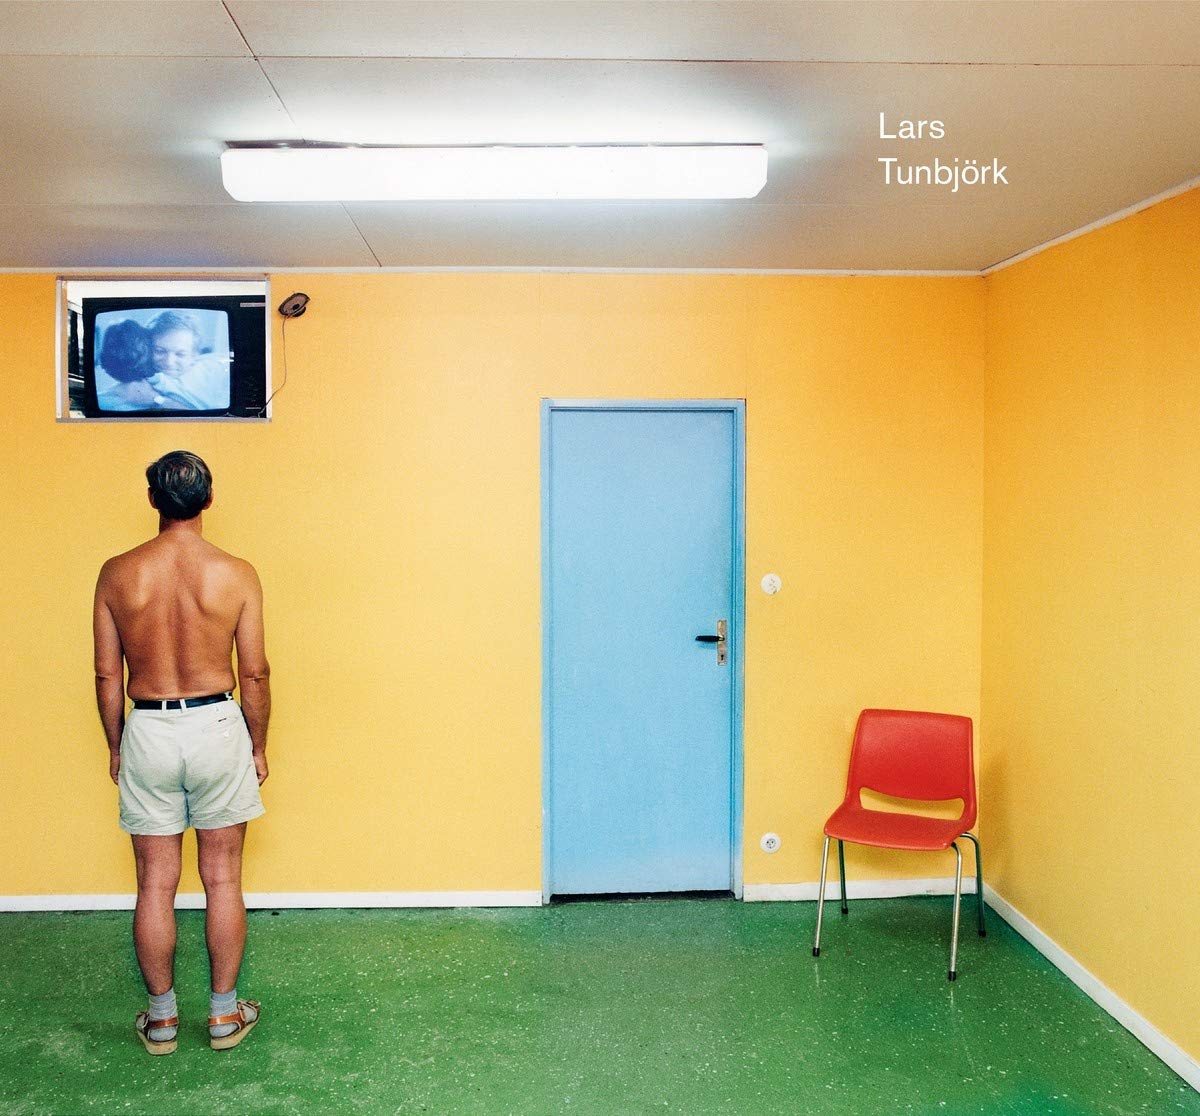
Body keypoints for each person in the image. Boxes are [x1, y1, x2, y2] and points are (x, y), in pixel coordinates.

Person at [93, 451, 270, 1054]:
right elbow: (255, 673)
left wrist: (116, 745)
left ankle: (163, 1020)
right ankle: (223, 1016)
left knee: (154, 884)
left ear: (153, 500)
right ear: (208, 499)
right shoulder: (236, 573)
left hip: (149, 726)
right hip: (217, 724)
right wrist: (257, 746)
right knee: (222, 878)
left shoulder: (117, 573)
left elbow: (106, 674)